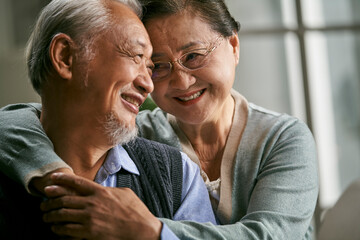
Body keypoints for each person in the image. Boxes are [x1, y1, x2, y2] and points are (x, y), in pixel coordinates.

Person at [0, 0, 319, 239]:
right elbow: (18, 121)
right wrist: (54, 175)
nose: (179, 82)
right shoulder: (139, 133)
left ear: (233, 45)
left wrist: (150, 230)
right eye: (156, 65)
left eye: (193, 56)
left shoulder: (282, 138)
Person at [0, 0, 217, 239]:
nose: (148, 84)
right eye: (135, 56)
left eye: (150, 67)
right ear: (65, 56)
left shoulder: (179, 176)